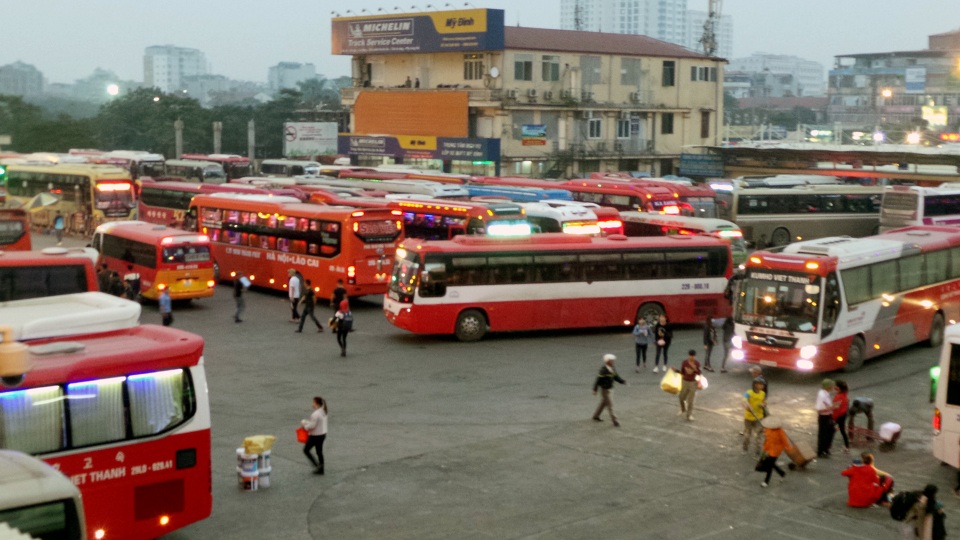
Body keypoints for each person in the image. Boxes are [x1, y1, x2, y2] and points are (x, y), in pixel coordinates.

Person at [592, 354, 626, 427]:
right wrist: (595, 389)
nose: (613, 362)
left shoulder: (612, 368)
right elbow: (598, 380)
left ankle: (596, 415)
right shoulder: (603, 370)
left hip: (610, 389)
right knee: (610, 405)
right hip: (605, 390)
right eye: (611, 360)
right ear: (607, 361)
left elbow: (616, 376)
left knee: (603, 403)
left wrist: (622, 381)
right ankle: (615, 421)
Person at [757, 416, 790, 487]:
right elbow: (767, 440)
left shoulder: (780, 431)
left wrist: (789, 449)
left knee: (769, 465)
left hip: (776, 451)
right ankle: (782, 473)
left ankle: (766, 481)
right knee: (771, 464)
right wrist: (765, 449)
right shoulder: (767, 430)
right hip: (769, 449)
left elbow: (785, 441)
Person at [301, 396, 328, 475]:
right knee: (319, 451)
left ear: (317, 404)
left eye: (313, 402)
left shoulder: (315, 414)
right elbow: (316, 423)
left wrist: (304, 425)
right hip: (322, 434)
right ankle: (321, 468)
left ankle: (317, 465)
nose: (312, 404)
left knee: (306, 450)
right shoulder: (324, 411)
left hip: (315, 436)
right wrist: (307, 422)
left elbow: (312, 426)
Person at [742, 379, 767, 455]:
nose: (762, 386)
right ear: (755, 385)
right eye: (760, 384)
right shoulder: (749, 392)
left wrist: (763, 405)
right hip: (748, 418)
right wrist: (747, 405)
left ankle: (757, 451)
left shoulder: (763, 393)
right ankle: (745, 448)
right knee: (747, 435)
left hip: (759, 417)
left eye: (763, 384)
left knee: (758, 435)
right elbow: (744, 400)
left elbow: (764, 403)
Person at [678, 349, 701, 421]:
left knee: (690, 400)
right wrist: (676, 371)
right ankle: (683, 409)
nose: (692, 357)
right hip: (685, 381)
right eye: (691, 356)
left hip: (693, 382)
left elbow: (699, 373)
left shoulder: (697, 363)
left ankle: (689, 415)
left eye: (693, 356)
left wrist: (695, 369)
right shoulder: (685, 362)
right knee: (681, 397)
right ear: (689, 355)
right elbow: (682, 372)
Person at [816, 378, 836, 458]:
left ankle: (825, 449)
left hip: (828, 415)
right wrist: (831, 408)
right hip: (824, 417)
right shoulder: (822, 396)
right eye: (832, 386)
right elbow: (819, 410)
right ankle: (822, 450)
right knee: (824, 434)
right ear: (828, 387)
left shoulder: (826, 393)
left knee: (830, 432)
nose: (833, 387)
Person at [833, 380, 851, 454]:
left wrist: (833, 418)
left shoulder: (838, 396)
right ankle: (847, 446)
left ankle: (828, 445)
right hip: (844, 415)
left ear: (838, 387)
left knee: (831, 430)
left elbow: (836, 409)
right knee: (842, 430)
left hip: (839, 416)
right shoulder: (844, 394)